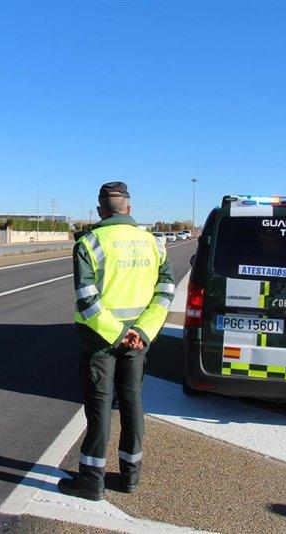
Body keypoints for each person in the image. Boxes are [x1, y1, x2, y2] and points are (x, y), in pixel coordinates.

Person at [58, 181, 175, 501]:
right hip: (138, 340)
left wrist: (118, 333)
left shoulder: (89, 243)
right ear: (129, 208)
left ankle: (91, 481)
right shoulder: (154, 243)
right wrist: (143, 332)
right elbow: (165, 291)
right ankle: (130, 476)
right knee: (132, 401)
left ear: (100, 210)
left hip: (100, 339)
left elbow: (87, 299)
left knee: (99, 406)